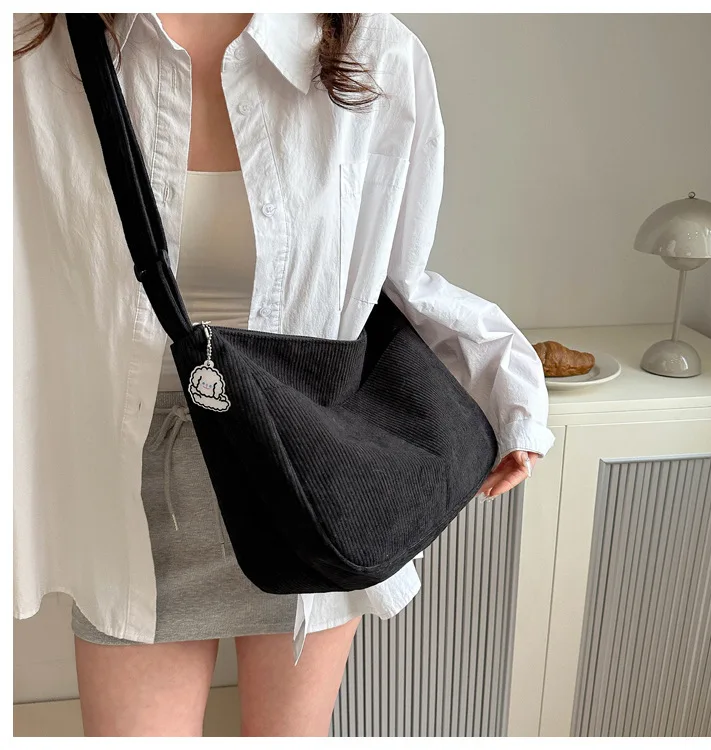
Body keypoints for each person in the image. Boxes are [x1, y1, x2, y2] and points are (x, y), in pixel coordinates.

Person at [13, 12, 555, 737]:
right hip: (133, 497)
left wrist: (507, 392)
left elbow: (401, 280)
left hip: (310, 474)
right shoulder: (34, 44)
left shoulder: (374, 51)